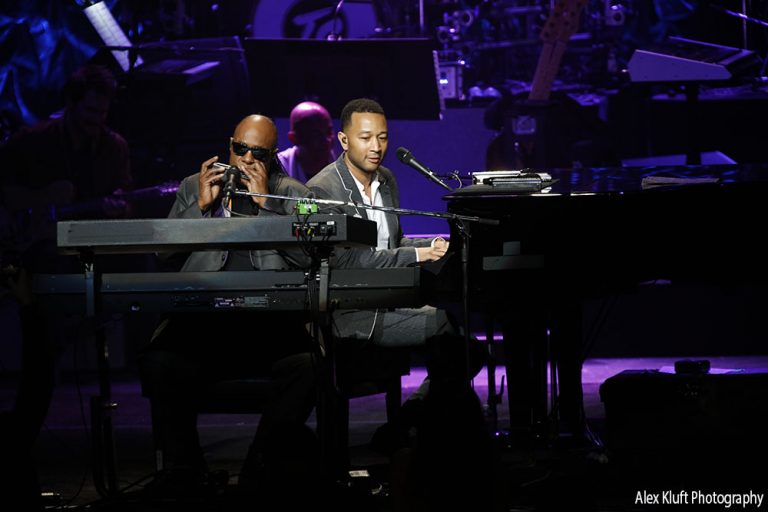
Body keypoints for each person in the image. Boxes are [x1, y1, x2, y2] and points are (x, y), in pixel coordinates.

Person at [138, 115, 321, 498]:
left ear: (273, 157)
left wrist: (267, 208)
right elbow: (164, 251)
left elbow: (309, 261)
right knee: (160, 361)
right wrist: (199, 211)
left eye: (258, 153)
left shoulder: (295, 194)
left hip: (268, 321)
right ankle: (186, 471)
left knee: (308, 365)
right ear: (230, 145)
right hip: (203, 320)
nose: (246, 161)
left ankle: (261, 466)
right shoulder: (195, 186)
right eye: (241, 150)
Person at [305, 98, 487, 449]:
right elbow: (348, 264)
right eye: (366, 137)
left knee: (462, 341)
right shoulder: (324, 190)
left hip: (392, 297)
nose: (377, 147)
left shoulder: (386, 179)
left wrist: (433, 242)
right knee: (447, 330)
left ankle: (416, 419)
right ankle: (422, 425)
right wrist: (418, 254)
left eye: (383, 137)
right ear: (344, 140)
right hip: (353, 312)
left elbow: (394, 240)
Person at [0, 63, 133, 272]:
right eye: (90, 111)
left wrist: (121, 209)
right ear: (71, 103)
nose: (97, 119)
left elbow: (123, 194)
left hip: (89, 239)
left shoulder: (115, 147)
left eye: (103, 112)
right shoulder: (33, 140)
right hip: (38, 246)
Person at [277, 101, 337, 182]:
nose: (327, 140)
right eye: (316, 134)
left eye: (329, 132)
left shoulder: (347, 165)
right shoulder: (277, 168)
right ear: (294, 138)